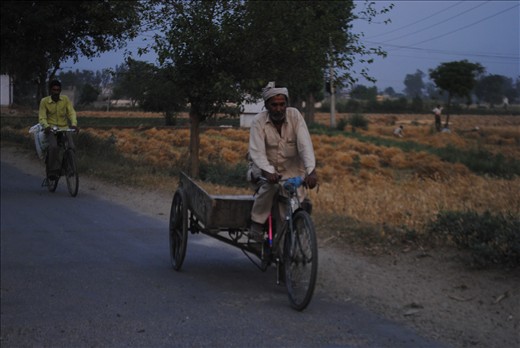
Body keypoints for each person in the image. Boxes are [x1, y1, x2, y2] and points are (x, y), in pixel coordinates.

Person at [246, 82, 318, 242]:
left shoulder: (295, 116)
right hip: (263, 169)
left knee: (294, 201)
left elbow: (305, 144)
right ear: (266, 105)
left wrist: (311, 170)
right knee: (269, 187)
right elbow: (257, 152)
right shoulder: (259, 121)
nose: (278, 109)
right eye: (274, 105)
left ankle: (291, 236)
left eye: (282, 104)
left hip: (291, 171)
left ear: (287, 104)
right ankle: (256, 223)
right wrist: (268, 171)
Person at [38, 80, 79, 179]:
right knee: (53, 147)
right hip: (51, 129)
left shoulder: (65, 99)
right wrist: (46, 126)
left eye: (58, 90)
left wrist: (74, 124)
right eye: (54, 90)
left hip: (64, 128)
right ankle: (53, 170)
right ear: (50, 90)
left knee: (71, 147)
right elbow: (42, 117)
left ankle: (69, 168)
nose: (56, 92)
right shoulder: (44, 101)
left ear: (60, 90)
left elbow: (71, 112)